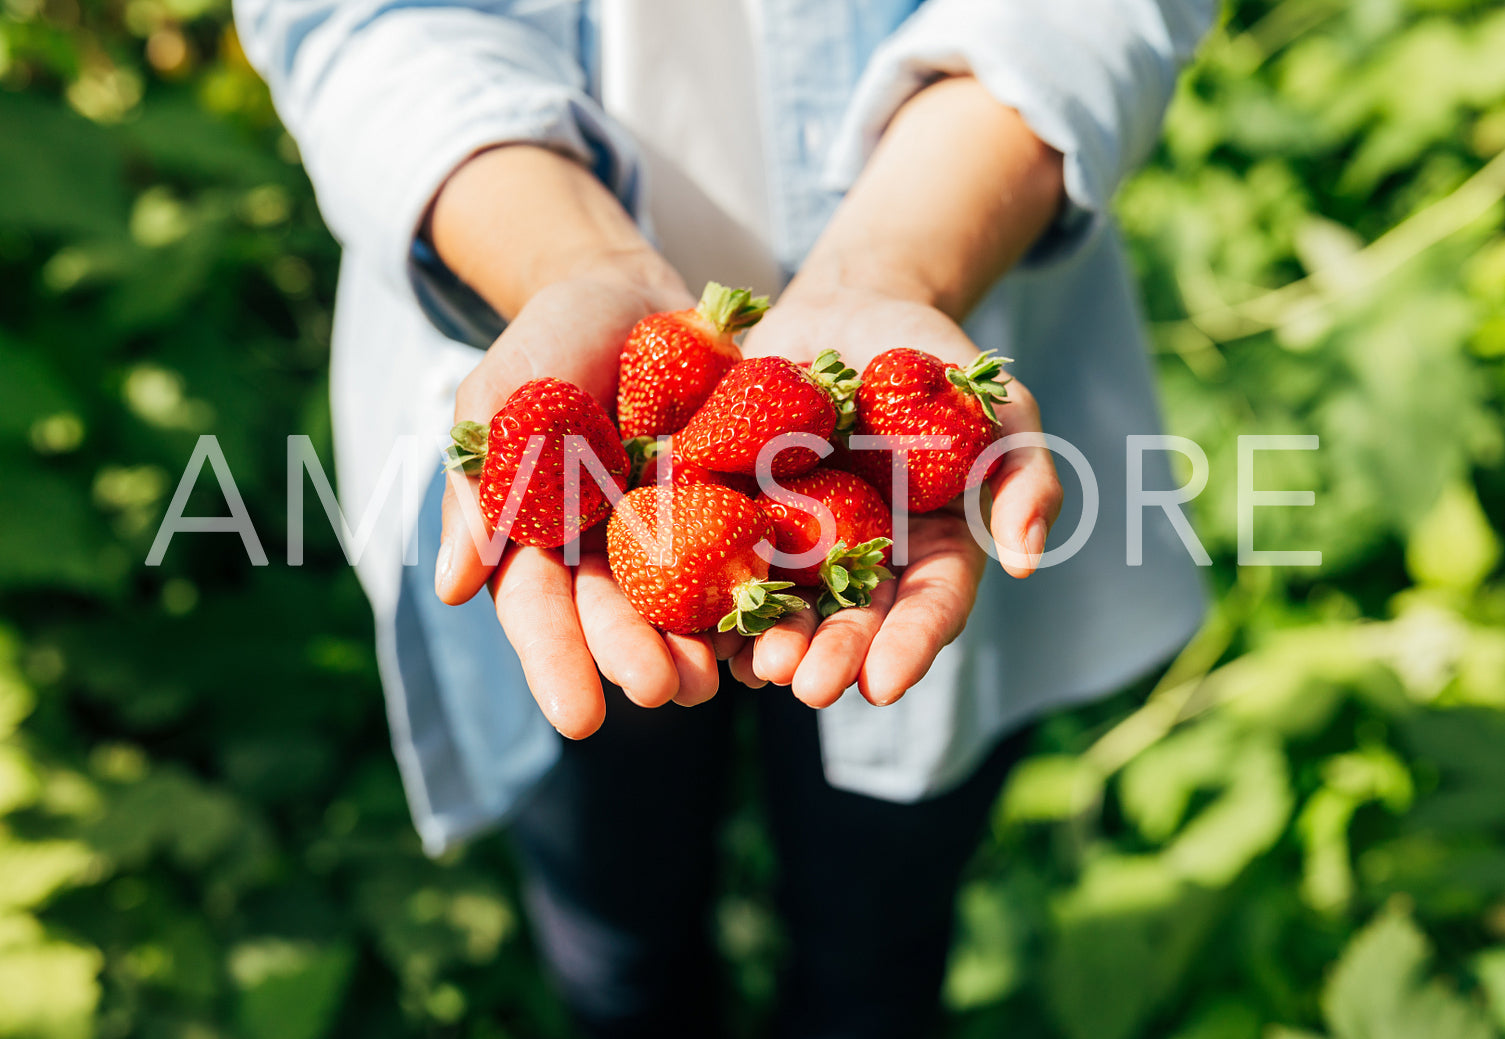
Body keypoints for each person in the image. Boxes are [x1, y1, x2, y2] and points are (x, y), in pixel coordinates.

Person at [235, 0, 1216, 1034]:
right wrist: (568, 269)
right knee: (614, 936)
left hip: (960, 252)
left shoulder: (811, 458)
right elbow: (364, 19)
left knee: (878, 933)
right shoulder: (618, 459)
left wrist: (895, 268)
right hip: (514, 290)